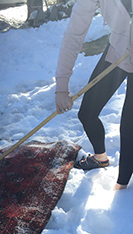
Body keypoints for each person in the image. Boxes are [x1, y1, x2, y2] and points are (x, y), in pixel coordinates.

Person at [55, 0, 133, 190]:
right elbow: (74, 34)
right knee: (87, 113)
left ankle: (121, 188)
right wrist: (61, 86)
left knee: (129, 126)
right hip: (119, 51)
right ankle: (100, 158)